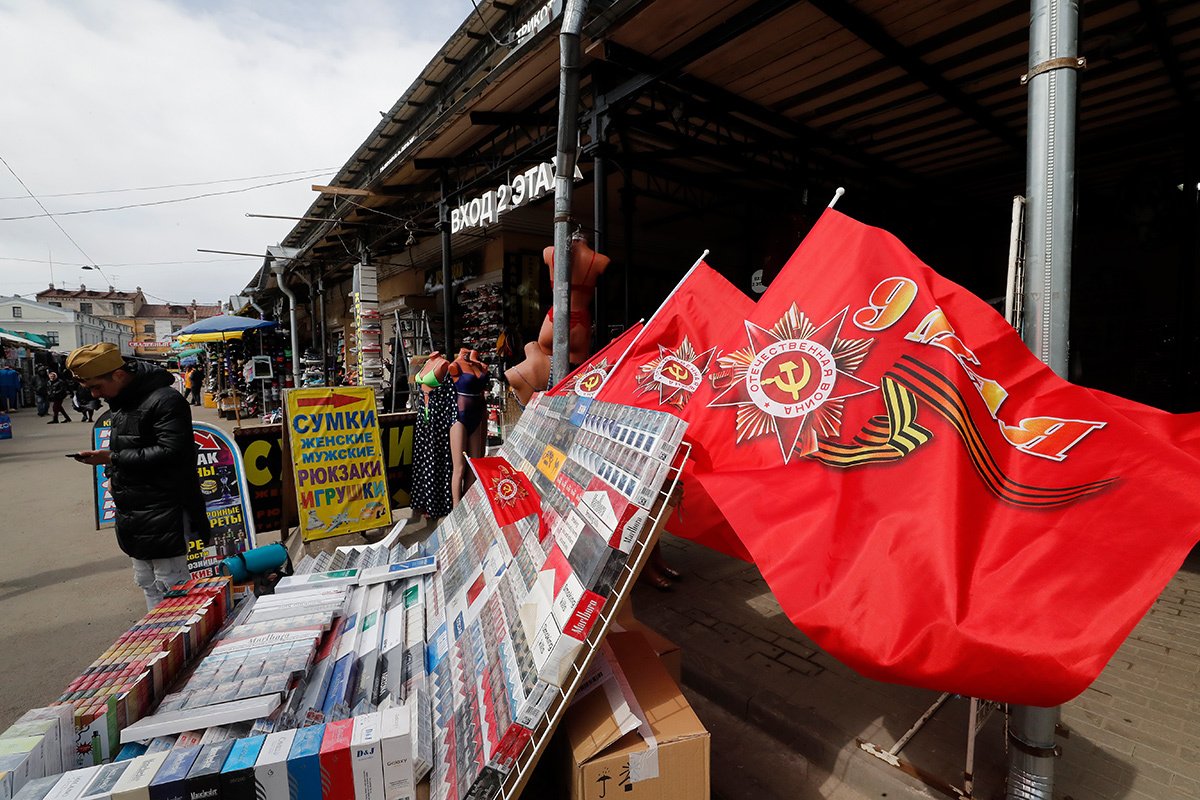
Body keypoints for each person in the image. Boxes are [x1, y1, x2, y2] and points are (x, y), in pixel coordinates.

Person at [65, 343, 210, 610]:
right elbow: (124, 445)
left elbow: (172, 452)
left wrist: (112, 459)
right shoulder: (121, 402)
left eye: (97, 386)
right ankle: (158, 641)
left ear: (118, 375)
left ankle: (181, 642)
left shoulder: (166, 400)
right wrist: (111, 471)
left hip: (164, 507)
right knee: (146, 581)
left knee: (172, 583)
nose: (96, 394)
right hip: (133, 509)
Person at [410, 351, 454, 519]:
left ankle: (437, 504)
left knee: (436, 459)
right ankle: (424, 502)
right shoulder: (426, 363)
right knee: (422, 459)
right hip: (423, 415)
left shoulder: (443, 364)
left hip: (437, 417)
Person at [448, 348, 489, 506]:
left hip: (477, 414)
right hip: (459, 416)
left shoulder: (478, 366)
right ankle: (456, 506)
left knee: (474, 464)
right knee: (459, 467)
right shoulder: (455, 366)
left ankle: (468, 504)